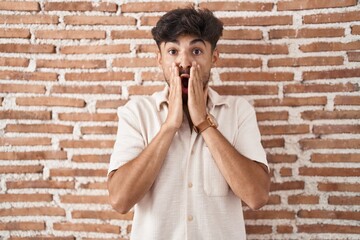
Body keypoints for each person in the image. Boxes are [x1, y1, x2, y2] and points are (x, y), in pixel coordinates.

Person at [107, 7, 270, 240]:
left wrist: (203, 122)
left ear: (213, 57)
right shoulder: (136, 113)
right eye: (173, 51)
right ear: (160, 59)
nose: (184, 62)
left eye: (196, 50)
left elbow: (257, 196)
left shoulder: (238, 112)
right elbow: (120, 201)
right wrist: (170, 126)